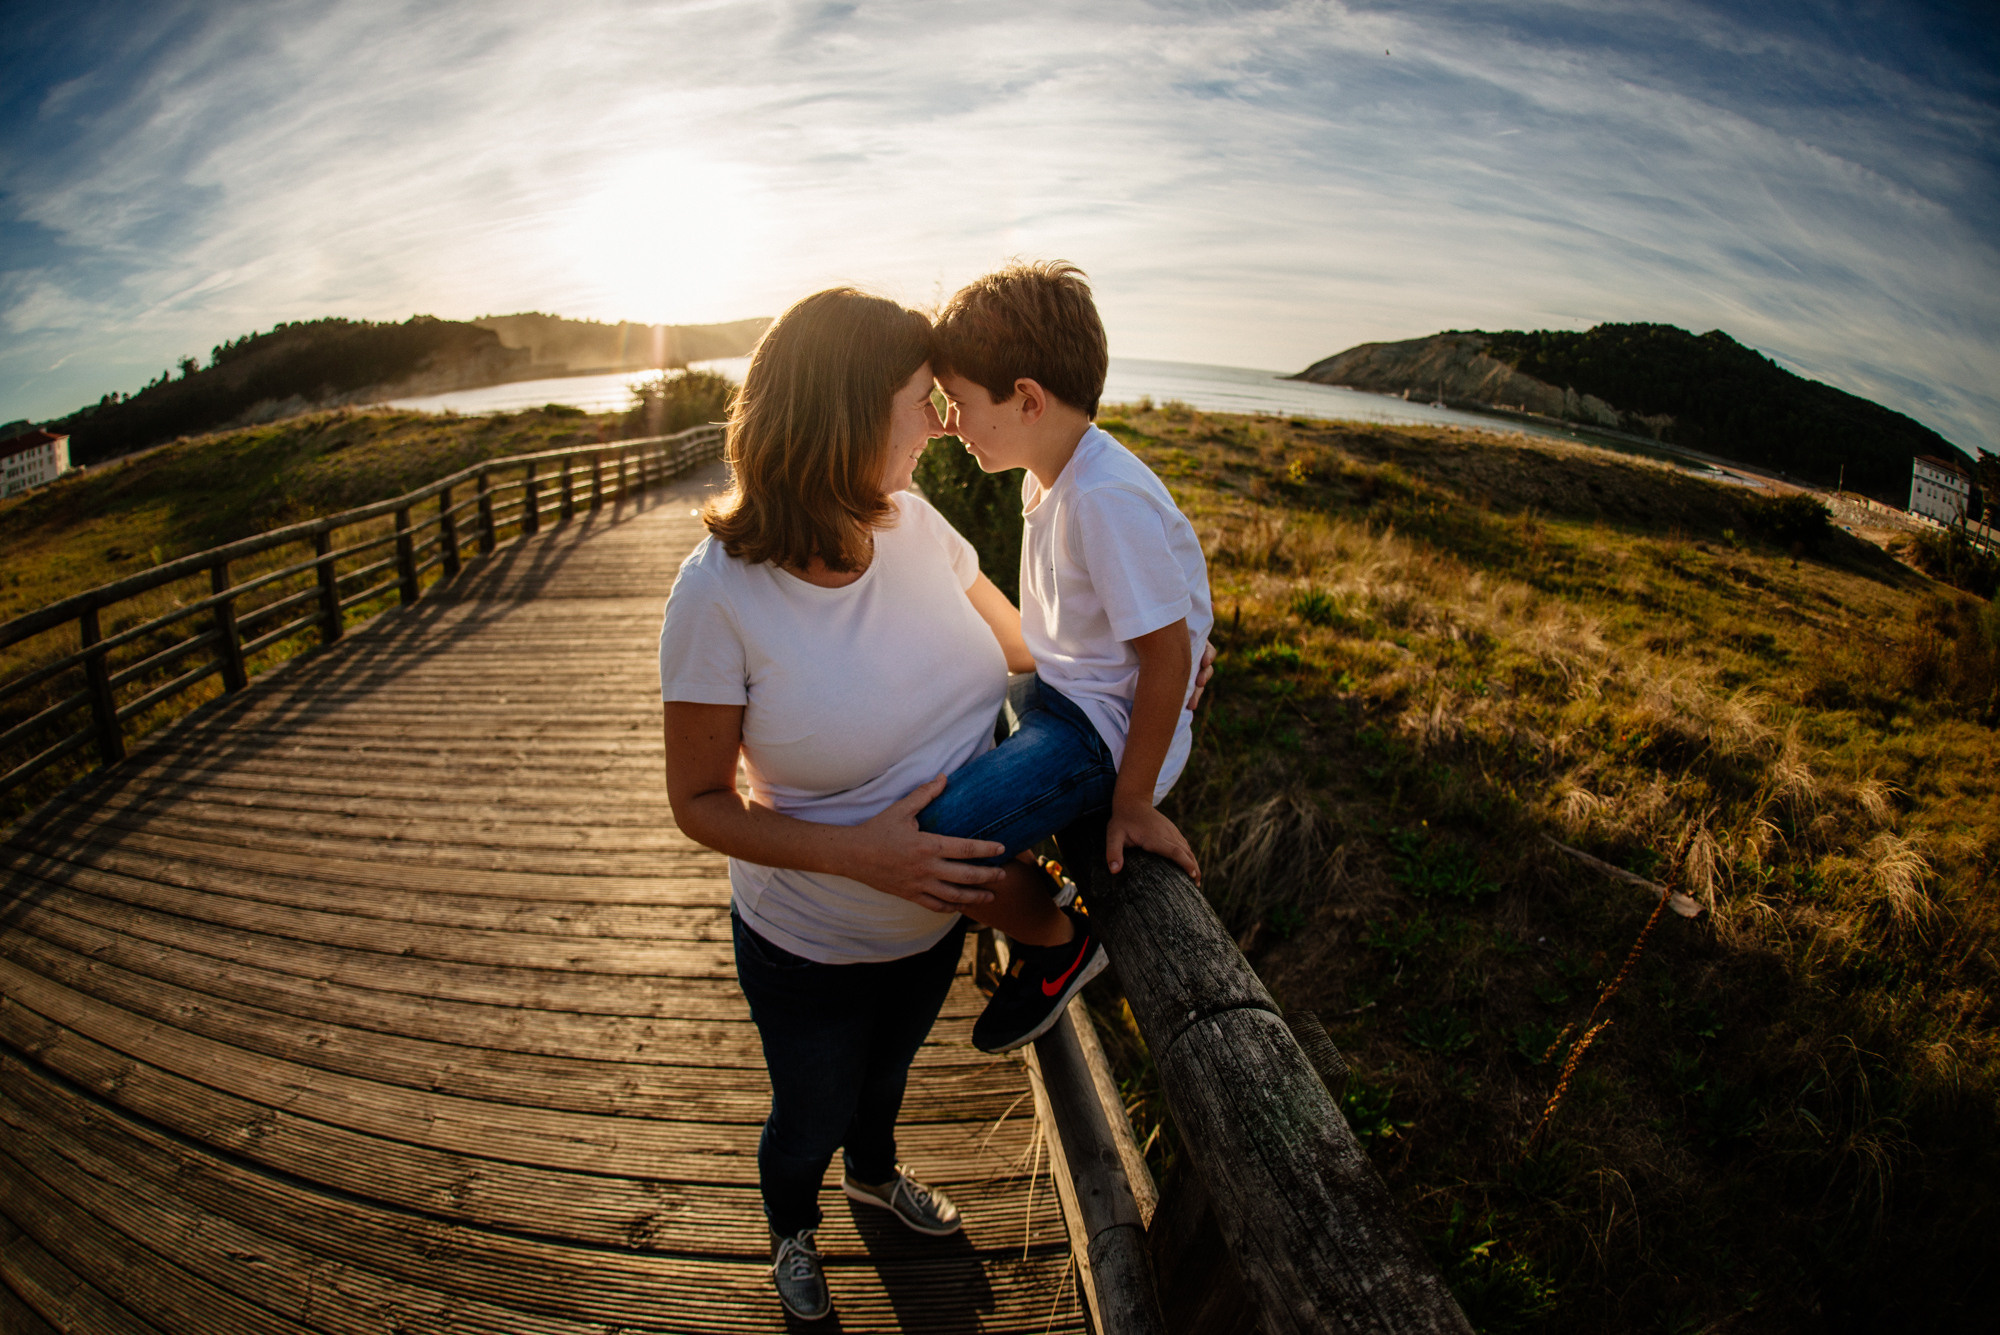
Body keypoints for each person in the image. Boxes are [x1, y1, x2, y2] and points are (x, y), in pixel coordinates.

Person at [660, 287, 1050, 1322]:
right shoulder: (716, 595)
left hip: (928, 926)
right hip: (809, 941)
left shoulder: (916, 524)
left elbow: (1025, 654)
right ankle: (792, 1229)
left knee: (883, 1091)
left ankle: (875, 1179)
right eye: (920, 399)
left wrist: (1149, 675)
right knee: (810, 1112)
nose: (941, 420)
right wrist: (860, 856)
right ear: (844, 412)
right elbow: (698, 802)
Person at [918, 260, 1216, 1055]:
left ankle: (1062, 942)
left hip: (1102, 734)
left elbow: (1166, 654)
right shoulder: (1051, 464)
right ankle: (1045, 889)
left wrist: (1134, 802)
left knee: (939, 834)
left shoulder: (1103, 497)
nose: (951, 421)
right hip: (1060, 693)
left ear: (1026, 399)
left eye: (960, 402)